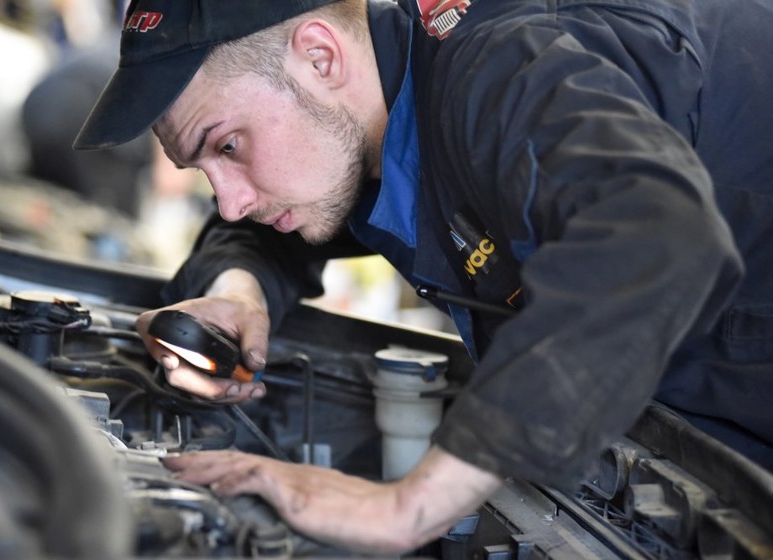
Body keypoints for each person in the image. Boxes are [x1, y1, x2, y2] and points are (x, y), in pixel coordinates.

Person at [74, 0, 773, 553]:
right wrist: (238, 292)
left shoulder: (504, 73)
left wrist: (409, 507)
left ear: (320, 56)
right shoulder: (376, 114)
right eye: (203, 169)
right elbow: (258, 231)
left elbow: (656, 238)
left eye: (228, 146)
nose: (228, 200)